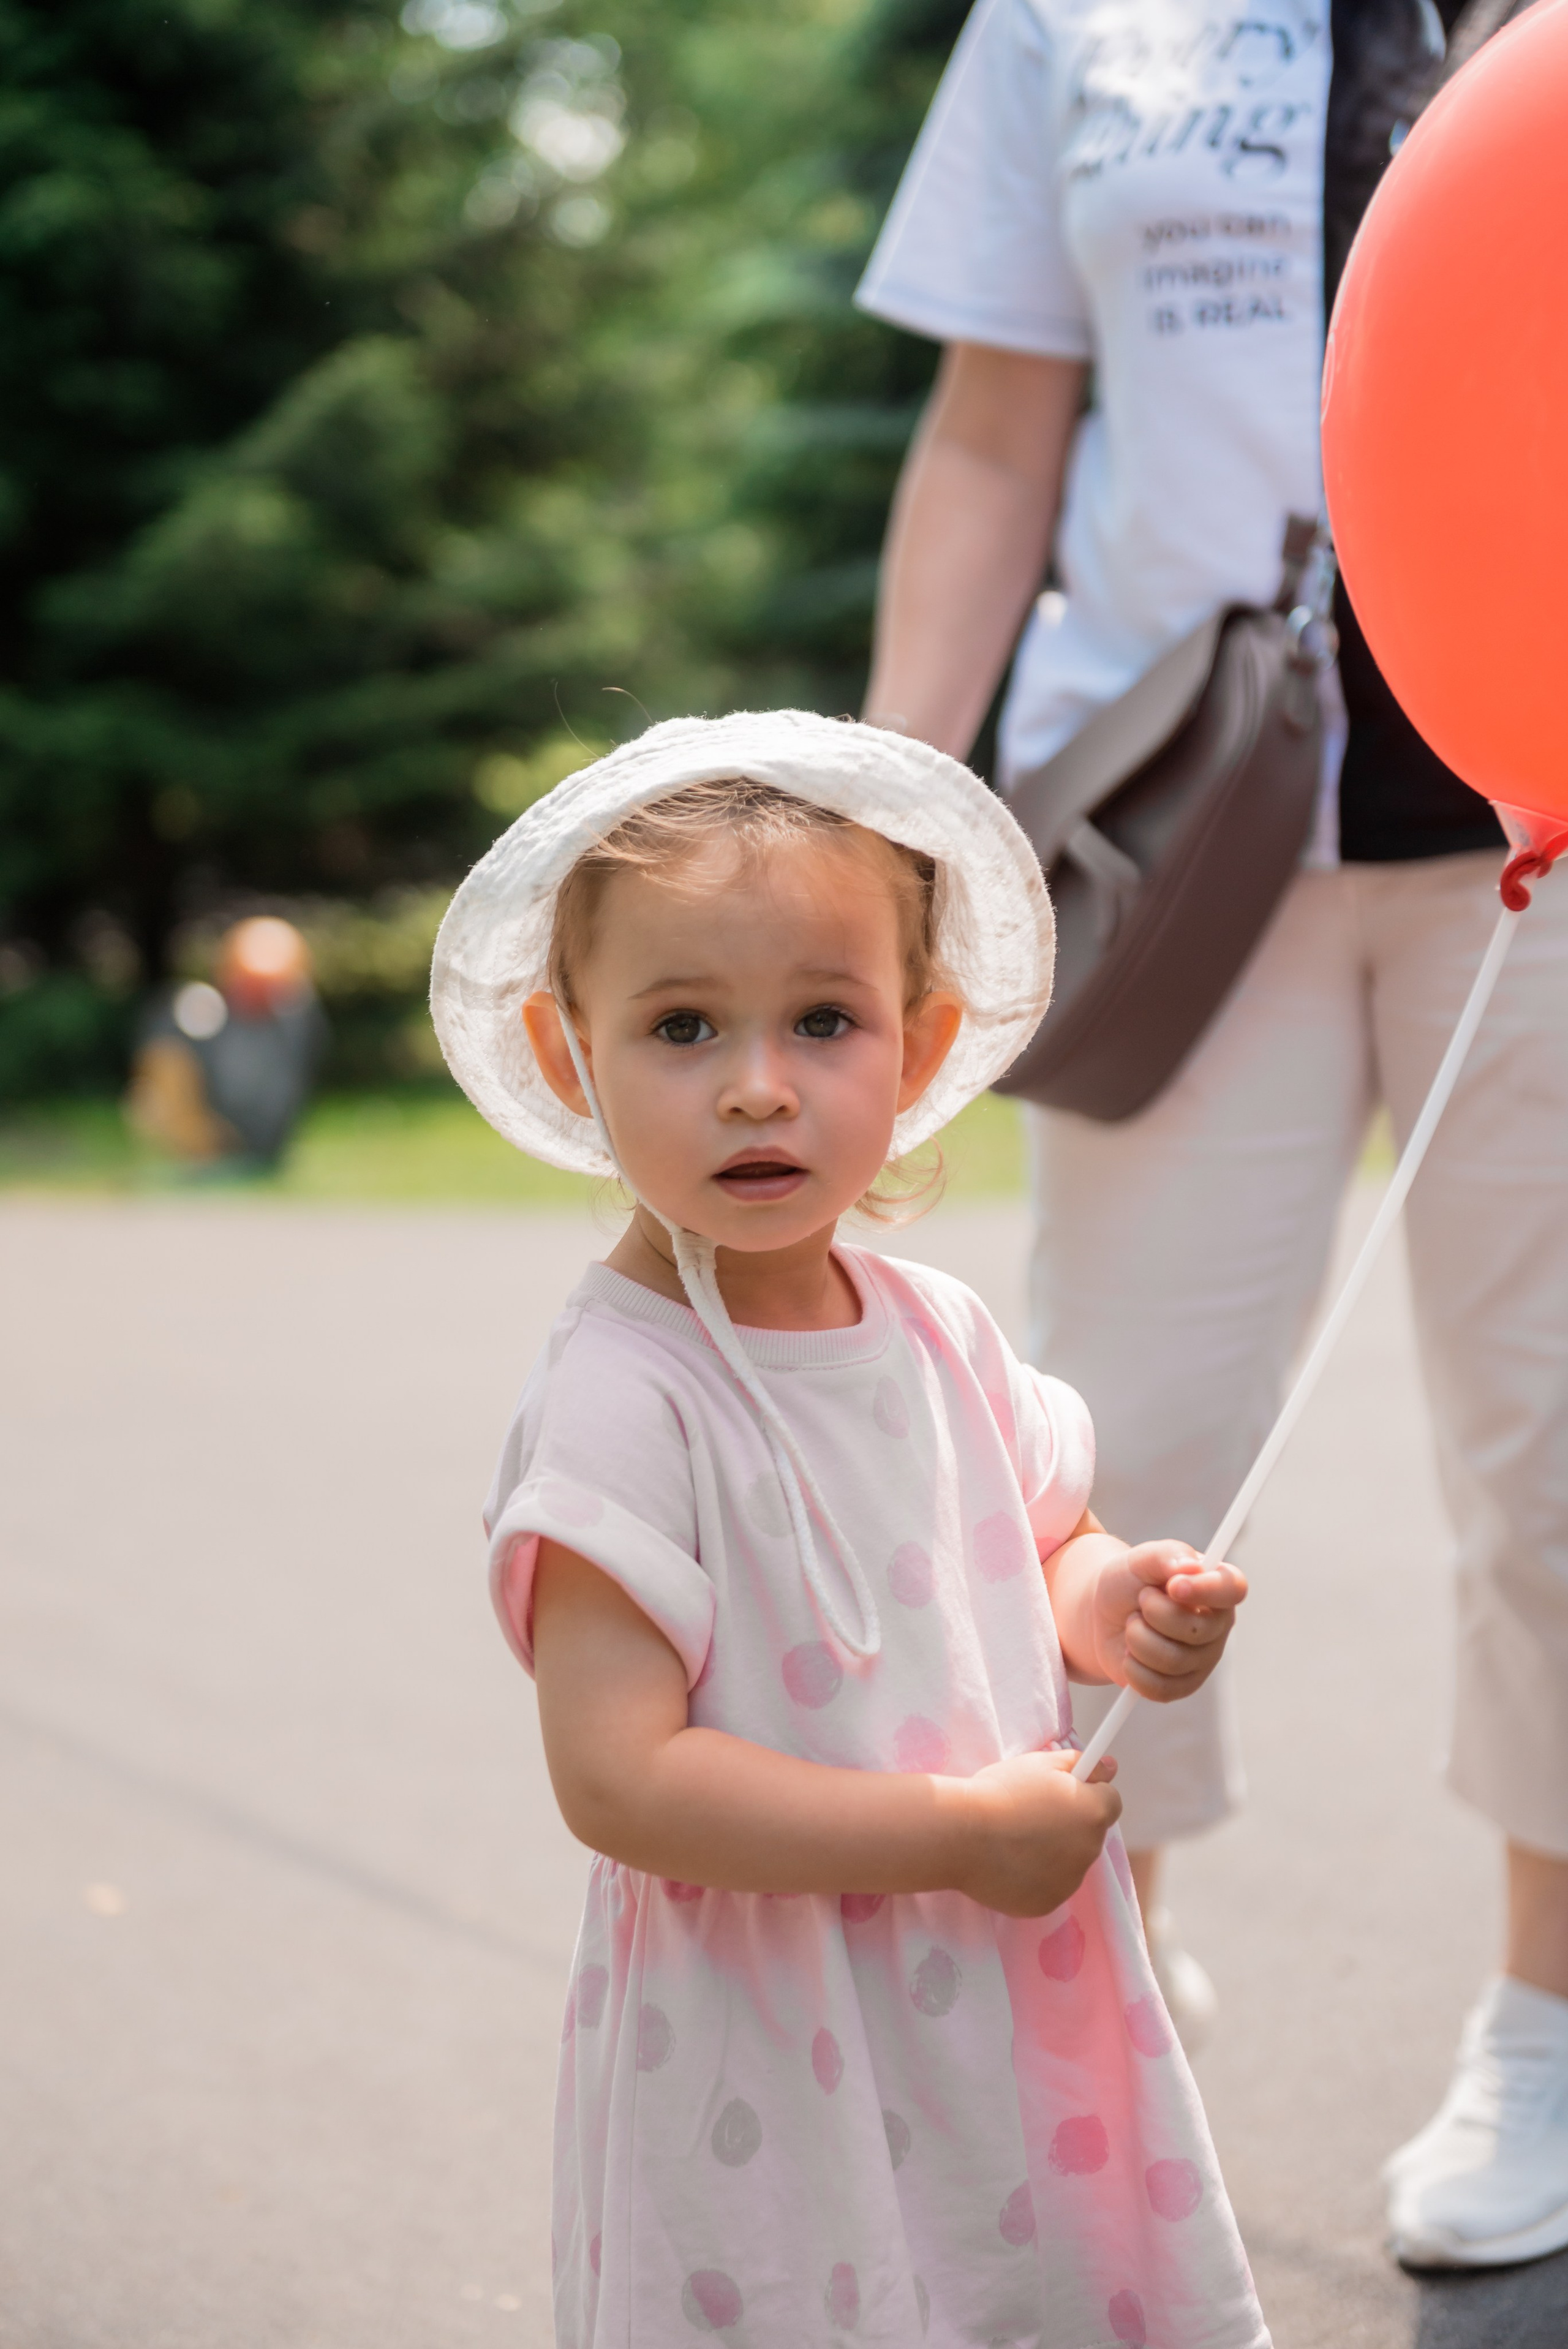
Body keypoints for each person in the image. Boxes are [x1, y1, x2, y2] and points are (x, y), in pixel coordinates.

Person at [855, 0, 1568, 2273]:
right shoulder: (1070, 13)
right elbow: (988, 431)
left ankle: (1545, 2017)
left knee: (1556, 1450)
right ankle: (1094, 1965)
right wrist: (876, 795)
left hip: (1538, 819)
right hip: (1183, 822)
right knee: (1112, 1438)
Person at [431, 711, 1266, 2348]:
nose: (758, 1084)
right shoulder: (628, 1394)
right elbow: (619, 1777)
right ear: (567, 1053)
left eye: (825, 1018)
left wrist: (1122, 1601)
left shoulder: (939, 1328)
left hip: (993, 1997)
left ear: (918, 1036)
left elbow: (1043, 1544)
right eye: (681, 1025)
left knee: (1015, 2284)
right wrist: (956, 1829)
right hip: (774, 2028)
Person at [126, 916, 326, 1170]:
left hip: (262, 1142)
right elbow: (157, 1065)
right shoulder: (201, 1015)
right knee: (164, 1066)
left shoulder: (295, 1024)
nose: (260, 991)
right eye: (249, 980)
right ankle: (201, 1155)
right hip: (211, 1132)